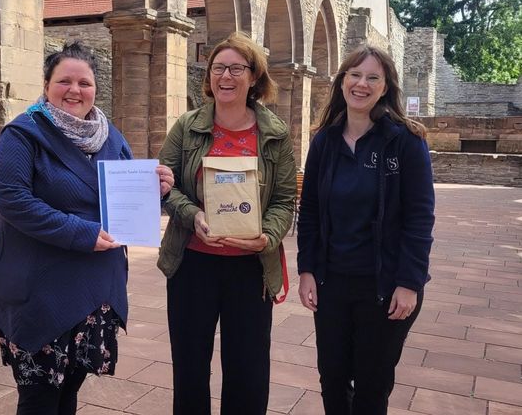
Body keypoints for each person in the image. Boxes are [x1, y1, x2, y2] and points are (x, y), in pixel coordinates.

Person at [0, 41, 174, 415]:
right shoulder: (22, 136)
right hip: (39, 288)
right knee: (39, 396)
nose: (75, 90)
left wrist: (157, 191)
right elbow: (12, 199)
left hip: (93, 289)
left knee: (69, 389)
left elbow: (124, 198)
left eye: (84, 83)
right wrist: (80, 233)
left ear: (95, 89)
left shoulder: (111, 136)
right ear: (46, 85)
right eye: (64, 81)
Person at [157, 32, 297, 415]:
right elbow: (164, 185)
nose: (226, 76)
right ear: (209, 76)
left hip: (250, 267)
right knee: (189, 367)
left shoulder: (275, 133)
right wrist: (193, 215)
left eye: (237, 68)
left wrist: (267, 237)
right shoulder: (187, 127)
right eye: (218, 68)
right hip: (192, 264)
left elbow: (285, 200)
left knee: (248, 370)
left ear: (254, 77)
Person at [297, 45, 435, 415]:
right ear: (342, 81)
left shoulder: (406, 141)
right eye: (354, 75)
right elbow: (308, 211)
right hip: (331, 284)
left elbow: (420, 219)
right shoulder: (324, 141)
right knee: (333, 379)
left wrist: (410, 283)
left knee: (372, 386)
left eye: (373, 77)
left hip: (385, 286)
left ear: (386, 85)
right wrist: (307, 269)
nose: (362, 84)